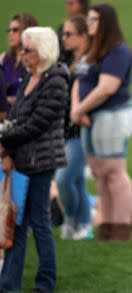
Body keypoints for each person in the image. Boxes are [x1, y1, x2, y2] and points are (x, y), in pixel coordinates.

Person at [0, 26, 68, 292]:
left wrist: (3, 141)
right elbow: (16, 118)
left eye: (27, 49)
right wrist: (6, 150)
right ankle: (8, 284)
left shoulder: (56, 80)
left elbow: (35, 124)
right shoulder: (28, 77)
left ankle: (46, 283)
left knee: (38, 222)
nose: (22, 54)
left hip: (41, 162)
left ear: (41, 51)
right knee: (16, 222)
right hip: (20, 160)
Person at [71, 3, 132, 241]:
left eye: (94, 19)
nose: (88, 23)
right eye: (88, 19)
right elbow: (79, 81)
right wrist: (76, 110)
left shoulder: (117, 50)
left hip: (112, 115)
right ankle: (107, 224)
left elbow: (107, 88)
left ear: (106, 22)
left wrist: (80, 110)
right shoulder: (91, 49)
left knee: (114, 172)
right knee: (99, 172)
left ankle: (123, 227)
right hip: (91, 117)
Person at [55, 15, 92, 240]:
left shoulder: (88, 63)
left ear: (83, 36)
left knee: (64, 179)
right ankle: (83, 226)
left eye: (68, 34)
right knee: (76, 180)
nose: (63, 38)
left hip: (81, 129)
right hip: (65, 129)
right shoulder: (70, 60)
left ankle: (73, 220)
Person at [0, 13, 38, 107]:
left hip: (20, 114)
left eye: (15, 30)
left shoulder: (35, 61)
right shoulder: (3, 58)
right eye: (9, 30)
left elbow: (34, 97)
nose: (10, 33)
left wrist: (6, 99)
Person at [57, 0, 90, 66]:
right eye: (67, 3)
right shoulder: (63, 26)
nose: (68, 6)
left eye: (71, 3)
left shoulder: (90, 26)